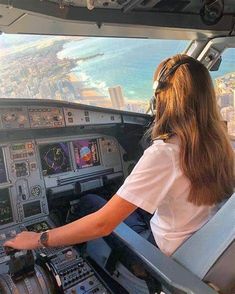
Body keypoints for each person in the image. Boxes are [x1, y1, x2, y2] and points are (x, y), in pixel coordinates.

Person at [4, 54, 234, 258]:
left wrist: (37, 239)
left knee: (90, 202)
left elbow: (102, 224)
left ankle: (83, 259)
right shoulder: (221, 142)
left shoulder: (165, 153)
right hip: (198, 245)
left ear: (160, 99)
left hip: (164, 256)